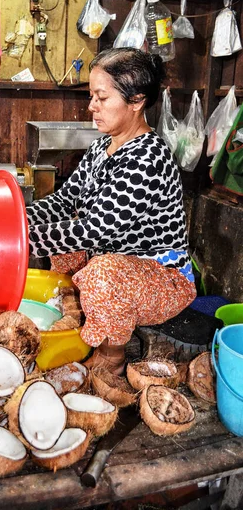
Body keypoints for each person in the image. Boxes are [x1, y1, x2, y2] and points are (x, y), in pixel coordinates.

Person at [26, 47, 197, 374]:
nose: (91, 106)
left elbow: (94, 229)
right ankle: (80, 309)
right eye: (92, 96)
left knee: (101, 273)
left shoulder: (148, 159)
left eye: (102, 98)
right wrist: (19, 219)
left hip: (162, 279)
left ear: (136, 101)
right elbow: (65, 200)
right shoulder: (101, 147)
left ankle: (112, 355)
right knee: (69, 250)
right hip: (116, 263)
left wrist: (23, 241)